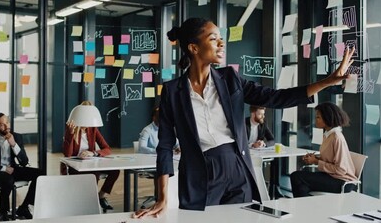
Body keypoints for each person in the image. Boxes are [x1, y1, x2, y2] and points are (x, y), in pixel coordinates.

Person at [133, 18, 355, 218]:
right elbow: (164, 145)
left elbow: (276, 98)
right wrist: (163, 197)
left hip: (237, 166)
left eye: (221, 39)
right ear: (194, 48)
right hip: (199, 172)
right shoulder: (173, 91)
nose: (221, 44)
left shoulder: (230, 79)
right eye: (214, 39)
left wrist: (326, 81)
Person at [0, 112, 42, 221]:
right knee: (8, 179)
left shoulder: (17, 137)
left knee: (40, 174)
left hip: (13, 169)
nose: (6, 126)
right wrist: (4, 169)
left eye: (7, 122)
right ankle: (3, 212)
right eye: (2, 124)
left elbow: (24, 161)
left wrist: (14, 144)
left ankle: (24, 207)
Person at [62, 100, 120, 212]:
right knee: (94, 173)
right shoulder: (71, 129)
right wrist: (70, 133)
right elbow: (67, 154)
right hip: (75, 165)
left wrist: (93, 153)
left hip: (91, 162)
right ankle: (89, 201)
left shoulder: (92, 129)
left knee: (115, 171)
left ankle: (101, 196)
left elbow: (107, 149)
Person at [290, 102, 357, 197]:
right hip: (332, 176)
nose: (315, 120)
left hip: (342, 182)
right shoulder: (328, 135)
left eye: (318, 117)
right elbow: (330, 160)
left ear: (328, 118)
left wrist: (317, 162)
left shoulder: (336, 137)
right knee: (301, 183)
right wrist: (314, 159)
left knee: (297, 177)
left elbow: (341, 170)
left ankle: (304, 208)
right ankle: (307, 208)